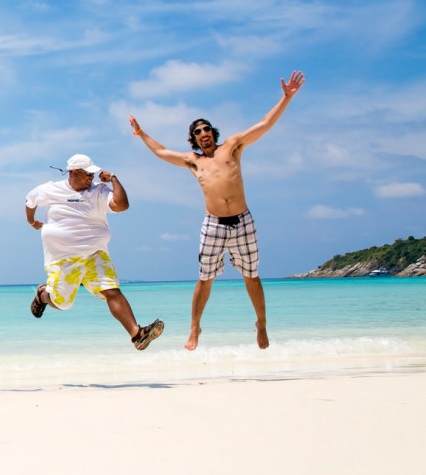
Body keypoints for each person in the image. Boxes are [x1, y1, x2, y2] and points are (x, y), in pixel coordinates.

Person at [128, 70, 305, 350]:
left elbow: (264, 124)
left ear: (213, 132)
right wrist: (141, 134)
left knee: (251, 276)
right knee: (205, 278)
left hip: (243, 221)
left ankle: (261, 324)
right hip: (213, 224)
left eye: (206, 129)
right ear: (194, 139)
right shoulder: (193, 161)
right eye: (197, 132)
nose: (203, 134)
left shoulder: (232, 147)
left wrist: (286, 98)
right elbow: (162, 152)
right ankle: (195, 328)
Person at [26, 154, 164, 350]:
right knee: (63, 303)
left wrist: (114, 178)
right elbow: (30, 201)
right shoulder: (51, 189)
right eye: (87, 174)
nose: (92, 177)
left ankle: (137, 335)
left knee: (112, 291)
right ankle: (42, 295)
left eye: (93, 173)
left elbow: (122, 205)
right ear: (74, 172)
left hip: (94, 254)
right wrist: (32, 221)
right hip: (62, 258)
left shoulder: (98, 191)